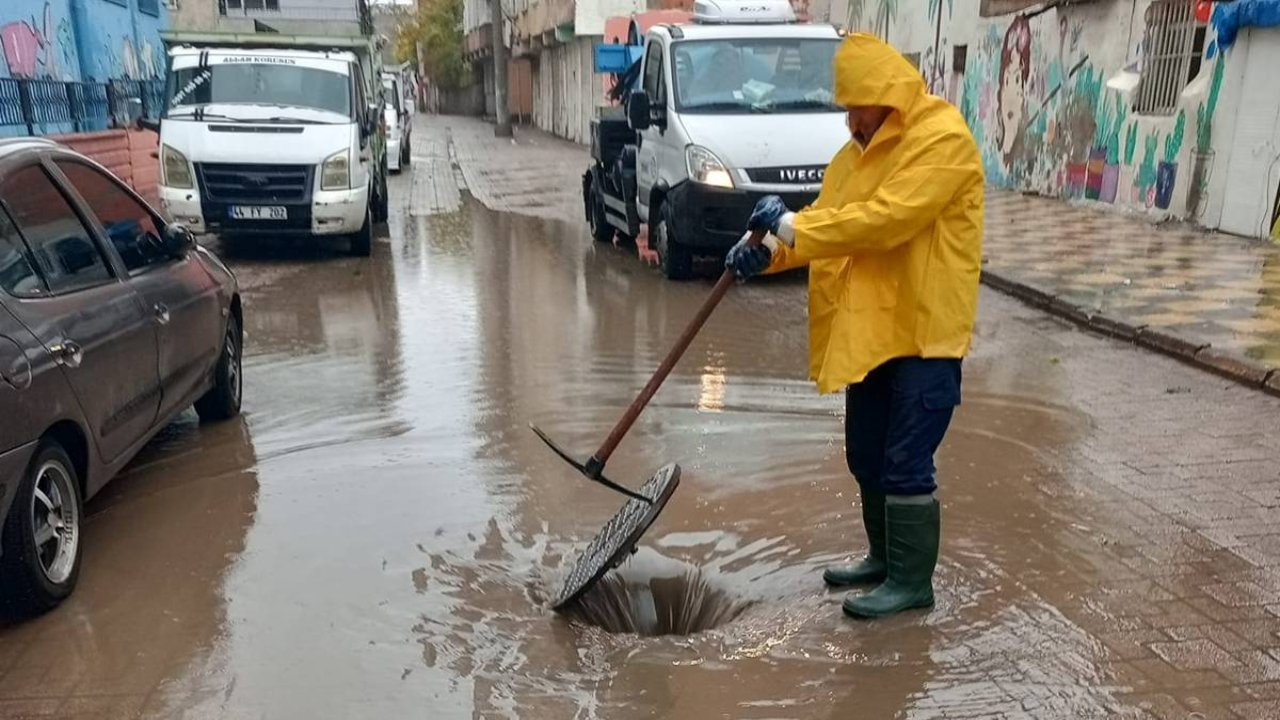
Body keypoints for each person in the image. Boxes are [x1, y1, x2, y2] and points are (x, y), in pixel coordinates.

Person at [725, 34, 984, 619]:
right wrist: (765, 251)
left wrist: (793, 229)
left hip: (924, 329)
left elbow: (887, 221)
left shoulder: (941, 141)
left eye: (858, 104)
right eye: (845, 105)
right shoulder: (854, 157)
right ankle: (884, 558)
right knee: (865, 452)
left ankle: (912, 584)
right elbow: (825, 222)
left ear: (887, 95)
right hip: (874, 328)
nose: (850, 118)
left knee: (907, 459)